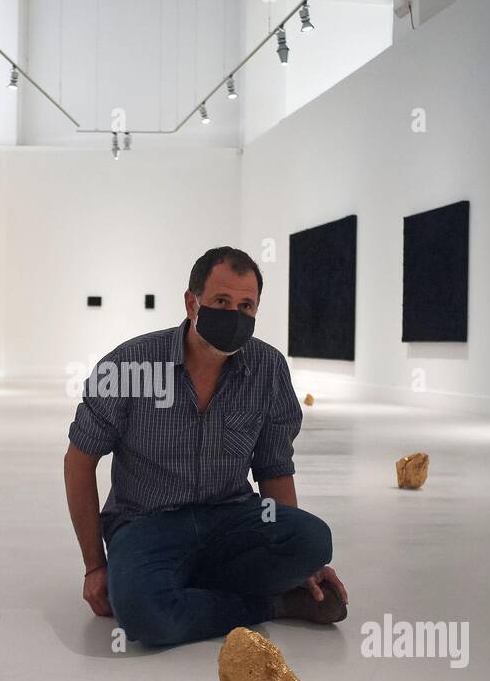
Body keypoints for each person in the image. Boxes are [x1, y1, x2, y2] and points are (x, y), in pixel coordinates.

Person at [63, 246, 348, 646]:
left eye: (246, 305)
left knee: (313, 540)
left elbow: (274, 467)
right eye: (221, 301)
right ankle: (271, 606)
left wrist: (302, 564)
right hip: (146, 523)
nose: (234, 315)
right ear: (191, 303)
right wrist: (95, 566)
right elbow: (79, 460)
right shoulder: (128, 365)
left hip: (231, 518)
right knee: (144, 616)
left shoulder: (267, 369)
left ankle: (198, 586)